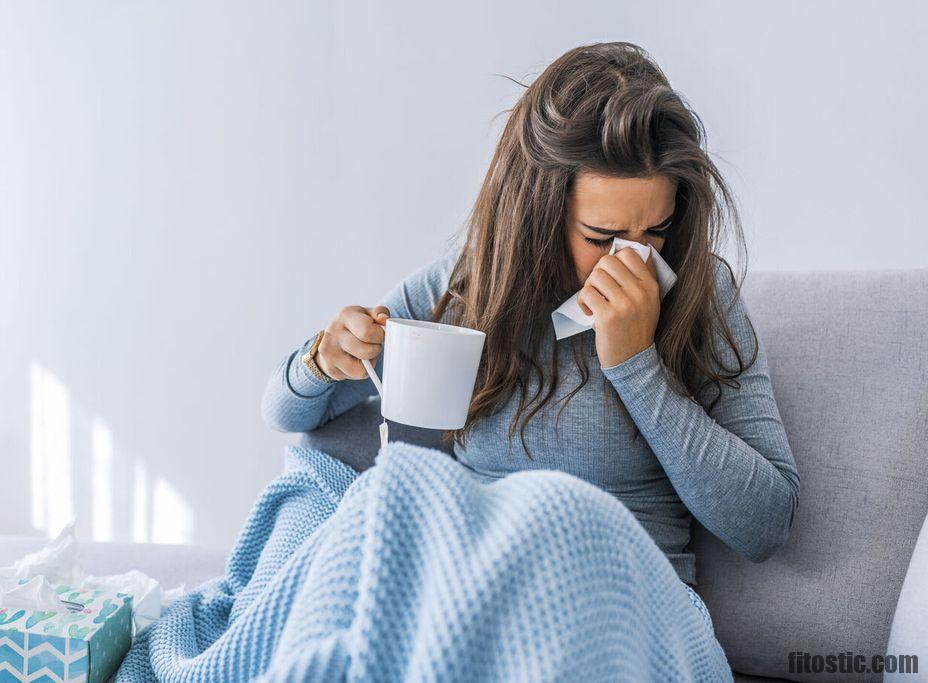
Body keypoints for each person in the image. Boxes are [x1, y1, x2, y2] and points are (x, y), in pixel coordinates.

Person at [261, 40, 799, 645]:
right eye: (602, 236)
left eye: (658, 230)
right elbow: (289, 416)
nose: (636, 259)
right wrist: (322, 360)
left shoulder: (702, 294)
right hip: (470, 592)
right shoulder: (466, 291)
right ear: (538, 214)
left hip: (620, 604)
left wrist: (638, 367)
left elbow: (765, 524)